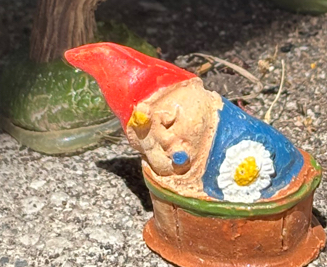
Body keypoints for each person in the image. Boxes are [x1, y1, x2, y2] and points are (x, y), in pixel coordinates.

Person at [64, 42, 305, 204]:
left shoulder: (239, 136)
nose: (167, 140)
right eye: (151, 143)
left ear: (199, 92)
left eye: (170, 121)